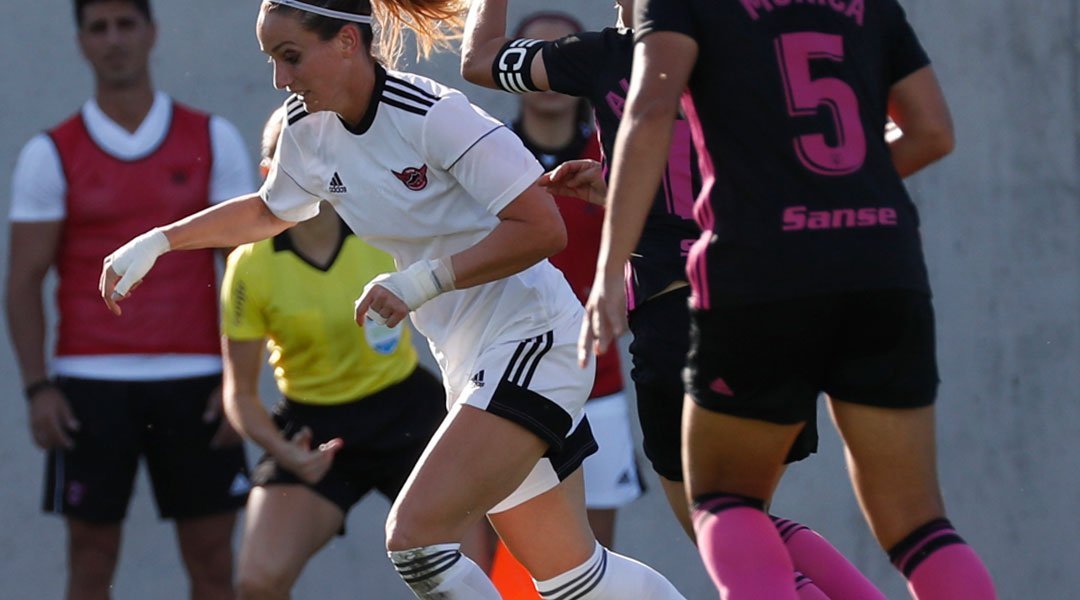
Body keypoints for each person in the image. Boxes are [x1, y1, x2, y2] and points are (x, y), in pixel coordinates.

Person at [98, 2, 685, 599]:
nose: (280, 79)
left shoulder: (433, 114)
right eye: (272, 60)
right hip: (469, 359)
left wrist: (420, 282)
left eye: (291, 56)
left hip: (532, 338)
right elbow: (270, 211)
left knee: (415, 540)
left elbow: (543, 229)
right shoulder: (303, 126)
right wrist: (161, 240)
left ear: (347, 42)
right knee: (574, 580)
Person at [463, 3, 883, 599]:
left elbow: (480, 58)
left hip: (684, 313)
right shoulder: (756, 45)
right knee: (746, 524)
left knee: (722, 530)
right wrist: (623, 189)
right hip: (782, 312)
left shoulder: (614, 53)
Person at [581, 0, 997, 599]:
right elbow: (932, 132)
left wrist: (609, 270)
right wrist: (838, 195)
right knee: (919, 527)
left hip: (759, 267)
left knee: (725, 502)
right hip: (882, 260)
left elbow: (648, 113)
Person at [4, 1, 254, 599]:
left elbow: (247, 271)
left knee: (213, 562)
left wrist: (239, 386)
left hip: (198, 380)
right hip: (89, 385)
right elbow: (22, 282)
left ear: (151, 33)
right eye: (99, 27)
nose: (114, 39)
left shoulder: (212, 138)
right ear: (81, 42)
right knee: (90, 561)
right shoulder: (50, 152)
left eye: (125, 24)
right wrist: (38, 388)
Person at [222, 107, 474, 598]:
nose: (308, 167)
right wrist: (283, 452)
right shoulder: (249, 266)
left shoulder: (383, 230)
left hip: (407, 412)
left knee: (468, 569)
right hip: (313, 430)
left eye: (318, 152)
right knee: (257, 581)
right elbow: (240, 394)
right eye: (291, 155)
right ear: (267, 171)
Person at [507, 12, 644, 550]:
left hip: (597, 381)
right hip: (505, 379)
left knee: (595, 558)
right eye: (533, 54)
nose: (547, 68)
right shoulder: (485, 155)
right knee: (502, 561)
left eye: (560, 52)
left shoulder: (620, 157)